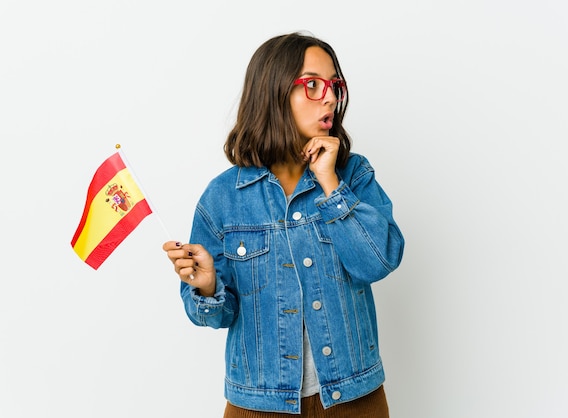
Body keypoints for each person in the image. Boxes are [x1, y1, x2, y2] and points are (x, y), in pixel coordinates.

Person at [163, 31, 404, 418]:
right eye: (312, 84)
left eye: (334, 86)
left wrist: (330, 184)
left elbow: (379, 261)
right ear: (273, 93)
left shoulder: (353, 176)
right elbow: (213, 315)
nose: (329, 97)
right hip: (259, 406)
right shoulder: (224, 197)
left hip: (354, 401)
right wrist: (208, 287)